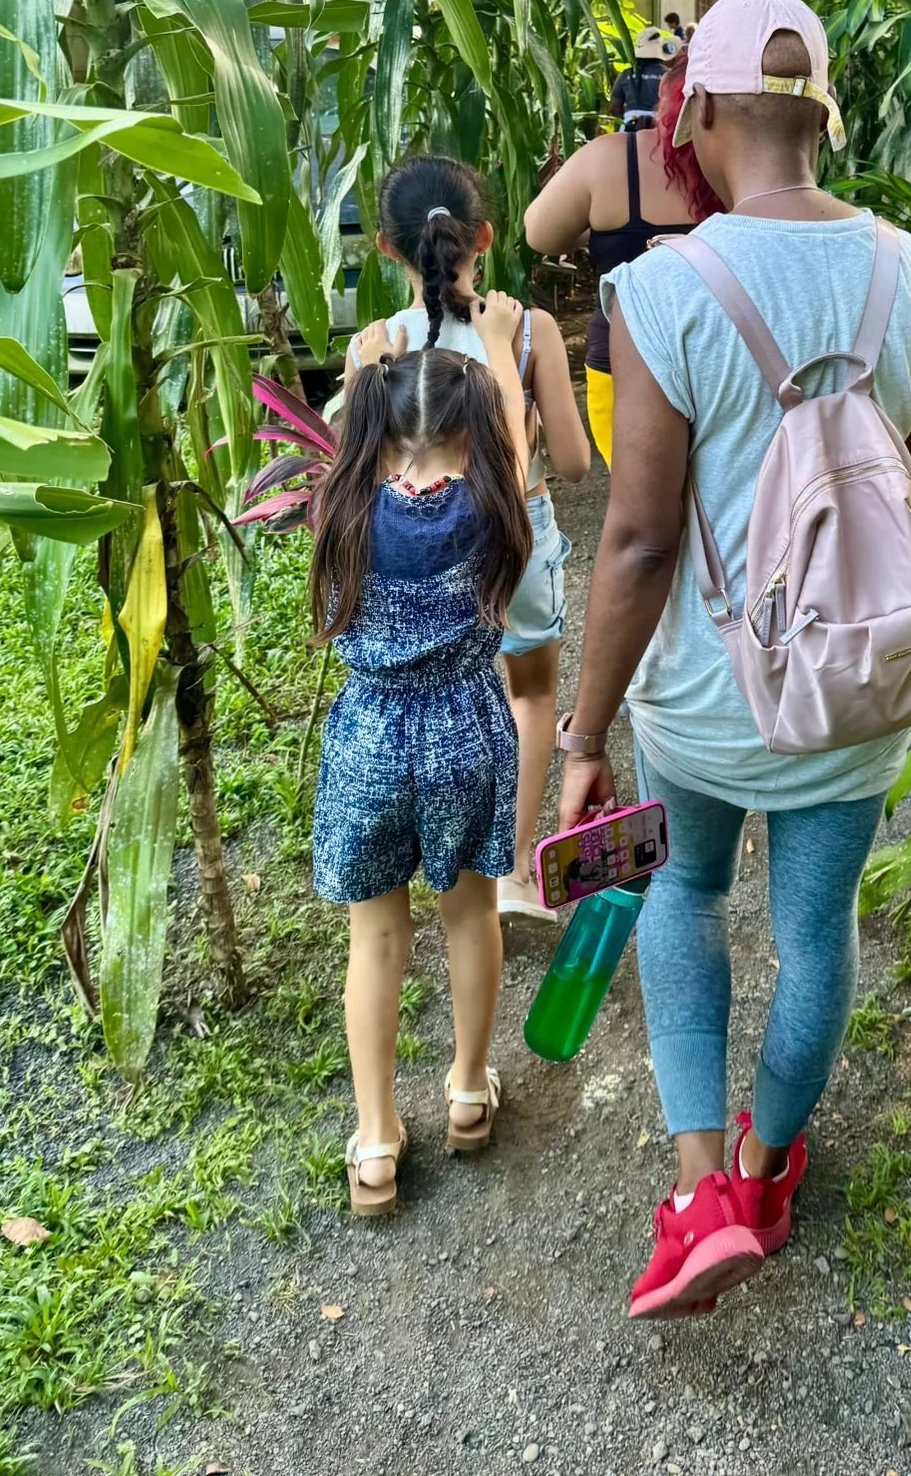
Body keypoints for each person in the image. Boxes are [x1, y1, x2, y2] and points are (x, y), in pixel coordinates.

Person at [556, 0, 911, 1318]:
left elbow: (639, 542)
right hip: (864, 688)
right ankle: (769, 1167)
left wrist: (583, 742)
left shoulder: (660, 289)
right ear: (823, 115)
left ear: (695, 116)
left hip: (704, 701)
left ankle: (700, 1190)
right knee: (817, 929)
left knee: (687, 892)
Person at [312, 317, 532, 1216]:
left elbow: (350, 447)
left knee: (377, 939)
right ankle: (470, 1092)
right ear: (472, 429)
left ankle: (374, 1142)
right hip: (468, 735)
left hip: (370, 739)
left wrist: (365, 370)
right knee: (471, 913)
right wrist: (507, 367)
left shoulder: (347, 507)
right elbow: (519, 467)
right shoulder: (489, 507)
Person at [348, 157, 591, 924]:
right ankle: (513, 869)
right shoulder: (530, 331)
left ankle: (436, 860)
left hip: (420, 558)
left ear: (387, 249)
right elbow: (580, 464)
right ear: (486, 236)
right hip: (520, 541)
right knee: (529, 693)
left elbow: (361, 466)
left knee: (439, 694)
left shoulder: (374, 347)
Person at [525, 57, 722, 469]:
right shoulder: (739, 165)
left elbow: (539, 234)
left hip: (620, 358)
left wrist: (602, 232)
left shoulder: (610, 157)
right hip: (722, 362)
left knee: (643, 504)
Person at [608, 26, 680, 127]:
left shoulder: (625, 74)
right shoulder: (668, 75)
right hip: (658, 126)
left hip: (629, 124)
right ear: (660, 51)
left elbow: (614, 107)